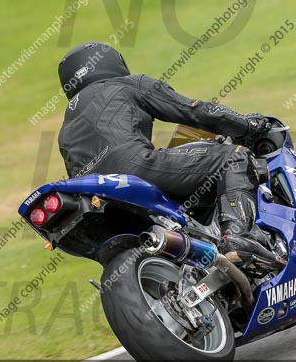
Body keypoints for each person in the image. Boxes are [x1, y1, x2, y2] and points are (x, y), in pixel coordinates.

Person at [56, 41, 280, 270]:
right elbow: (194, 111)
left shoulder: (65, 132)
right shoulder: (127, 85)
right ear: (110, 62)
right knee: (234, 158)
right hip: (137, 170)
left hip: (97, 201)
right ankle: (238, 237)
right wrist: (249, 126)